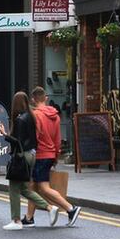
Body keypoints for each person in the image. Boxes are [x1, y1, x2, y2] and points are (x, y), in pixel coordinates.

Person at [0, 91, 59, 231]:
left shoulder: (20, 119)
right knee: (24, 189)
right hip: (32, 155)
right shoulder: (31, 116)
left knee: (13, 187)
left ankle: (16, 220)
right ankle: (50, 207)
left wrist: (4, 135)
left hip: (22, 155)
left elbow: (18, 142)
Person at [29, 86, 81, 227]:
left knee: (43, 187)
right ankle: (29, 218)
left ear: (33, 100)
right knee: (33, 186)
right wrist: (56, 156)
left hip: (40, 154)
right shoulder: (55, 116)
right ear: (45, 98)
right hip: (51, 153)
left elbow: (36, 136)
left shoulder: (36, 116)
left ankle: (71, 209)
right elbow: (58, 139)